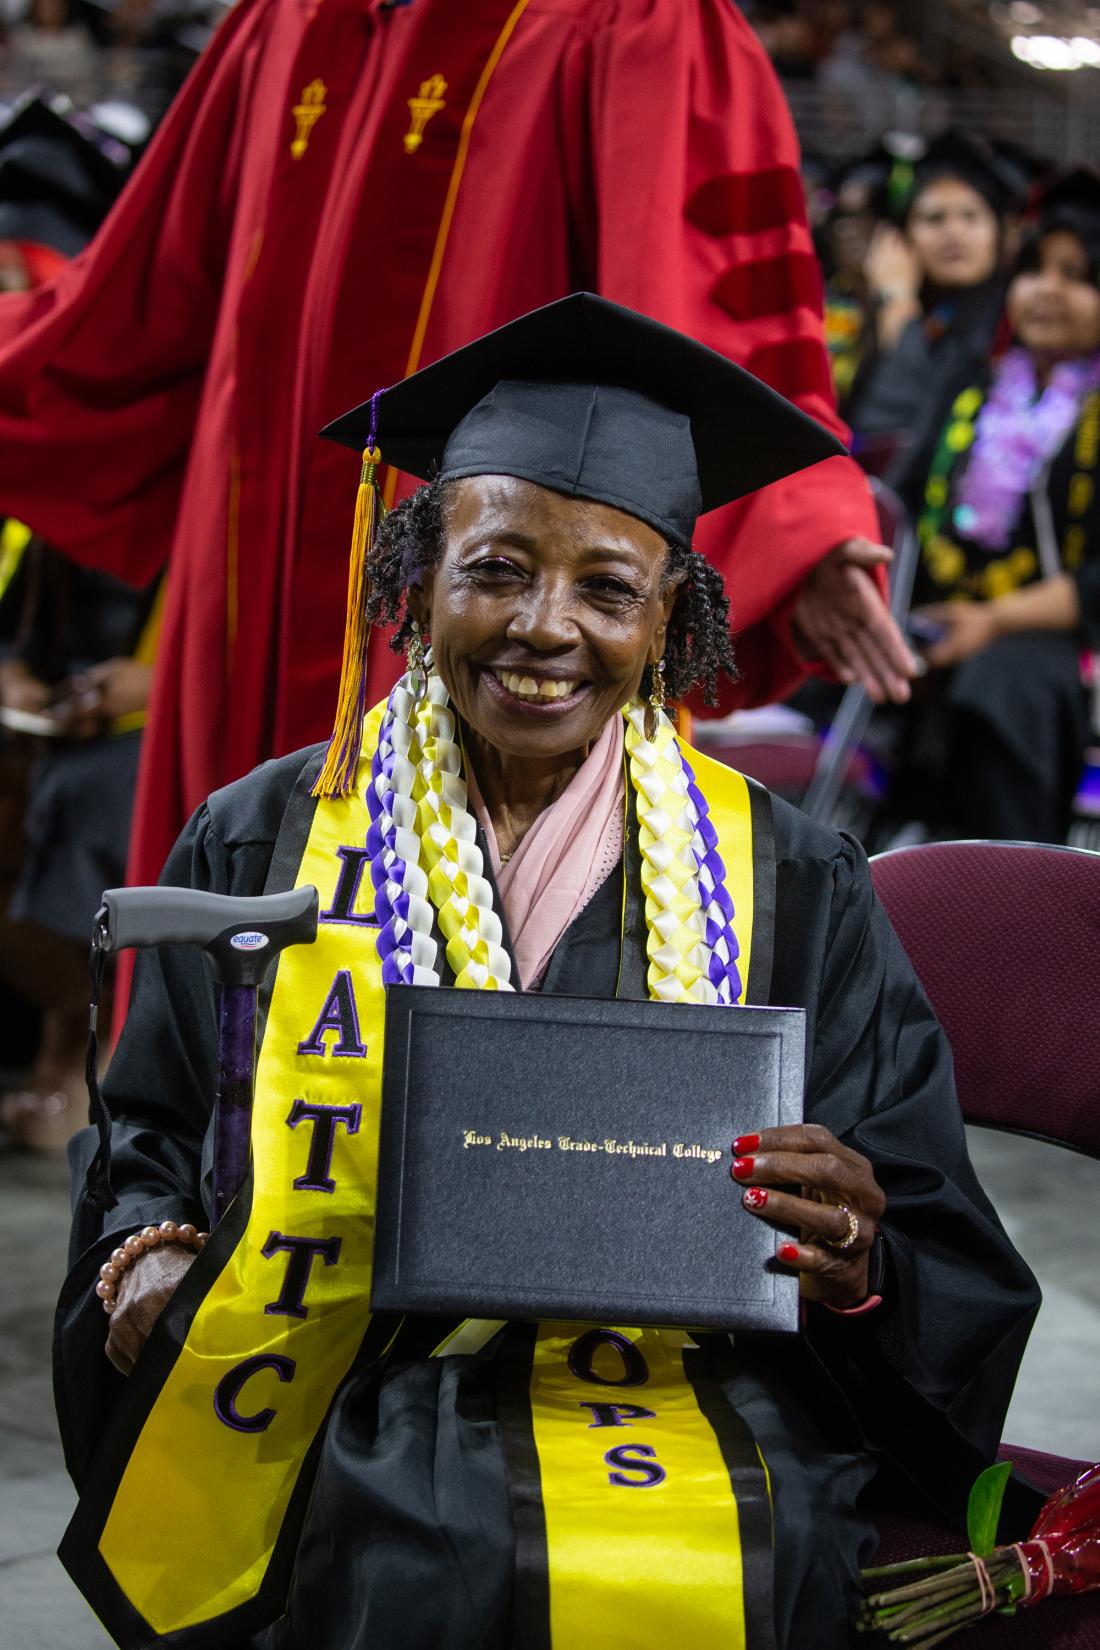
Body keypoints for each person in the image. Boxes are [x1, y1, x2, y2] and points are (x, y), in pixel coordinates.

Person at [55, 297, 1039, 1650]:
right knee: (393, 1543)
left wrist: (859, 1258)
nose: (546, 627)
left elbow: (929, 1226)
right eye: (499, 568)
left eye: (607, 589)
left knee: (740, 1553)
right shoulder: (266, 832)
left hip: (706, 1391)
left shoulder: (789, 876)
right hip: (344, 1372)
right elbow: (149, 1126)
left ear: (672, 622)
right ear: (419, 576)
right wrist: (141, 1254)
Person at [0, 0, 914, 908]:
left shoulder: (624, 18)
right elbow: (132, 303)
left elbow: (698, 306)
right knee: (223, 942)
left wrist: (800, 524)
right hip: (245, 595)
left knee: (441, 937)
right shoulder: (277, 22)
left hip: (486, 587)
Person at [893, 169, 1100, 842]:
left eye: (1077, 275)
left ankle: (1006, 881)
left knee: (1000, 685)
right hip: (956, 615)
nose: (1047, 290)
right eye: (1035, 269)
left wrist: (991, 620)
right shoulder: (973, 383)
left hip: (1059, 637)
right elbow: (903, 493)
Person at [847, 129, 1019, 472]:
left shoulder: (1011, 326)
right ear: (900, 239)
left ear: (999, 232)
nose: (954, 232)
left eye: (971, 216)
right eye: (933, 218)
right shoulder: (887, 311)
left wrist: (898, 306)